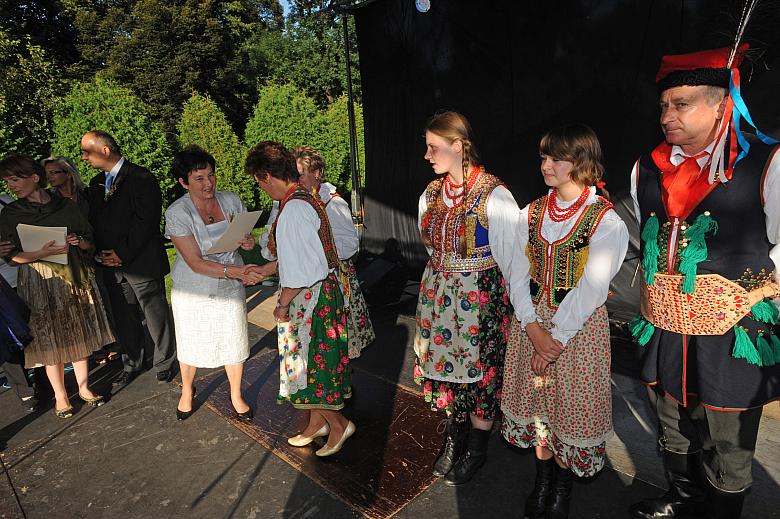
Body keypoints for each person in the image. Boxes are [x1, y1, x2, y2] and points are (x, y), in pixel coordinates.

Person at [628, 45, 780, 519]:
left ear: (721, 106)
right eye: (663, 106)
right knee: (671, 419)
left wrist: (753, 297)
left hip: (733, 335)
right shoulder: (644, 169)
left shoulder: (768, 164)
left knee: (728, 439)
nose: (667, 115)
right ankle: (682, 499)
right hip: (666, 328)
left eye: (682, 104)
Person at [500, 124, 628, 519]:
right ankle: (542, 481)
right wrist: (533, 328)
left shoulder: (606, 222)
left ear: (582, 162)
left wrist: (554, 338)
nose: (545, 164)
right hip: (531, 325)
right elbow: (516, 273)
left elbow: (591, 288)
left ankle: (562, 487)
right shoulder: (530, 213)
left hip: (577, 333)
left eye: (556, 157)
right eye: (543, 156)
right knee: (539, 402)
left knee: (568, 406)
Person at [413, 111, 524, 486]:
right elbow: (429, 246)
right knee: (447, 373)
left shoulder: (495, 194)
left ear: (459, 146)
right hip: (439, 297)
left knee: (480, 376)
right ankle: (454, 439)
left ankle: (476, 450)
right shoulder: (430, 194)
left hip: (480, 298)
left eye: (434, 147)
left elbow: (513, 259)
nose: (427, 155)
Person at [245, 141, 355, 457]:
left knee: (307, 367)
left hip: (311, 297)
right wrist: (267, 267)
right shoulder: (305, 199)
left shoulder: (292, 208)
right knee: (308, 366)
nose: (263, 189)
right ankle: (316, 424)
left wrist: (281, 305)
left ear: (267, 176)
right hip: (323, 291)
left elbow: (302, 271)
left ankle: (338, 425)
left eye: (260, 182)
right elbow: (303, 255)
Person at [0, 155, 113, 417]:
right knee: (49, 338)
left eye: (15, 179)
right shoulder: (11, 213)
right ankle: (61, 396)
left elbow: (88, 240)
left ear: (35, 177)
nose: (11, 186)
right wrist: (40, 252)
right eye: (7, 181)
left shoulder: (65, 205)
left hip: (72, 275)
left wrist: (77, 241)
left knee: (77, 330)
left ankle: (84, 389)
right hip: (39, 280)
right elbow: (10, 256)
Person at [165, 145, 258, 421]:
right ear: (184, 182)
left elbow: (246, 238)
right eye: (199, 178)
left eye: (211, 176)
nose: (209, 183)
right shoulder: (177, 213)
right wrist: (238, 272)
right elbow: (195, 261)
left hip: (229, 285)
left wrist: (248, 241)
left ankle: (236, 394)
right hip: (194, 287)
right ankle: (186, 390)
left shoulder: (231, 200)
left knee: (234, 337)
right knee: (191, 340)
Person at [260, 146, 375, 358]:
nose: (296, 179)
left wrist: (311, 248)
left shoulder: (332, 201)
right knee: (309, 346)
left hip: (333, 277)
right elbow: (270, 237)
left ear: (317, 173)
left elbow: (349, 245)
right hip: (298, 280)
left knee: (333, 345)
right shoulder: (285, 200)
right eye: (293, 174)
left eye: (301, 174)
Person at [82, 131, 177, 387]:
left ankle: (166, 362)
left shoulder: (141, 177)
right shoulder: (95, 183)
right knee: (124, 319)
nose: (83, 157)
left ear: (104, 150)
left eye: (86, 151)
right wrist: (102, 253)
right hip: (110, 266)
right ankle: (132, 362)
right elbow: (96, 223)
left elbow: (146, 221)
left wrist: (122, 254)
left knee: (156, 316)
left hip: (141, 263)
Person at [0, 193, 38, 412]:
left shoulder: (6, 202)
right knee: (6, 340)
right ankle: (25, 391)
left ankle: (44, 382)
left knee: (35, 331)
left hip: (25, 275)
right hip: (3, 283)